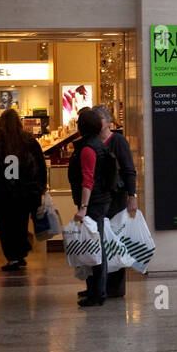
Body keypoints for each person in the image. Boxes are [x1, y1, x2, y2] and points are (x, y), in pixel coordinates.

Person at [0, 109, 48, 271]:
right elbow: (39, 164)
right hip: (25, 191)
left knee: (5, 226)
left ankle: (12, 258)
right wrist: (40, 187)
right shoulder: (28, 140)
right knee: (21, 223)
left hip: (2, 191)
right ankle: (20, 253)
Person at [70, 107, 116, 308]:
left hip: (93, 203)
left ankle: (98, 292)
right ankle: (94, 289)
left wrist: (83, 207)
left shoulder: (88, 148)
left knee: (95, 247)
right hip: (99, 200)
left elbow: (88, 180)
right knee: (93, 244)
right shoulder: (97, 145)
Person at [93, 105, 138, 298]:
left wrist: (132, 195)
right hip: (99, 198)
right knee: (98, 240)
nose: (97, 122)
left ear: (108, 121)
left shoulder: (118, 141)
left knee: (116, 240)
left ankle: (115, 287)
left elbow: (129, 169)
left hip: (116, 198)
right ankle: (98, 284)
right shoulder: (92, 142)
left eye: (99, 118)